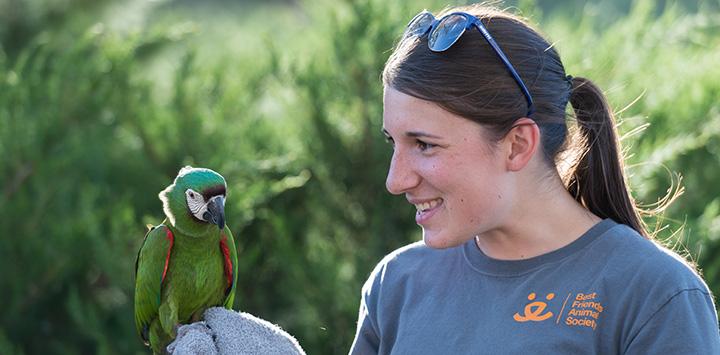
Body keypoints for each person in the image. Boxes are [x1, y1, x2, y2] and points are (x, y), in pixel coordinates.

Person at [349, 3, 720, 354]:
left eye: (425, 145)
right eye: (393, 143)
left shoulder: (654, 295)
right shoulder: (397, 284)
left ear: (517, 145)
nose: (395, 181)